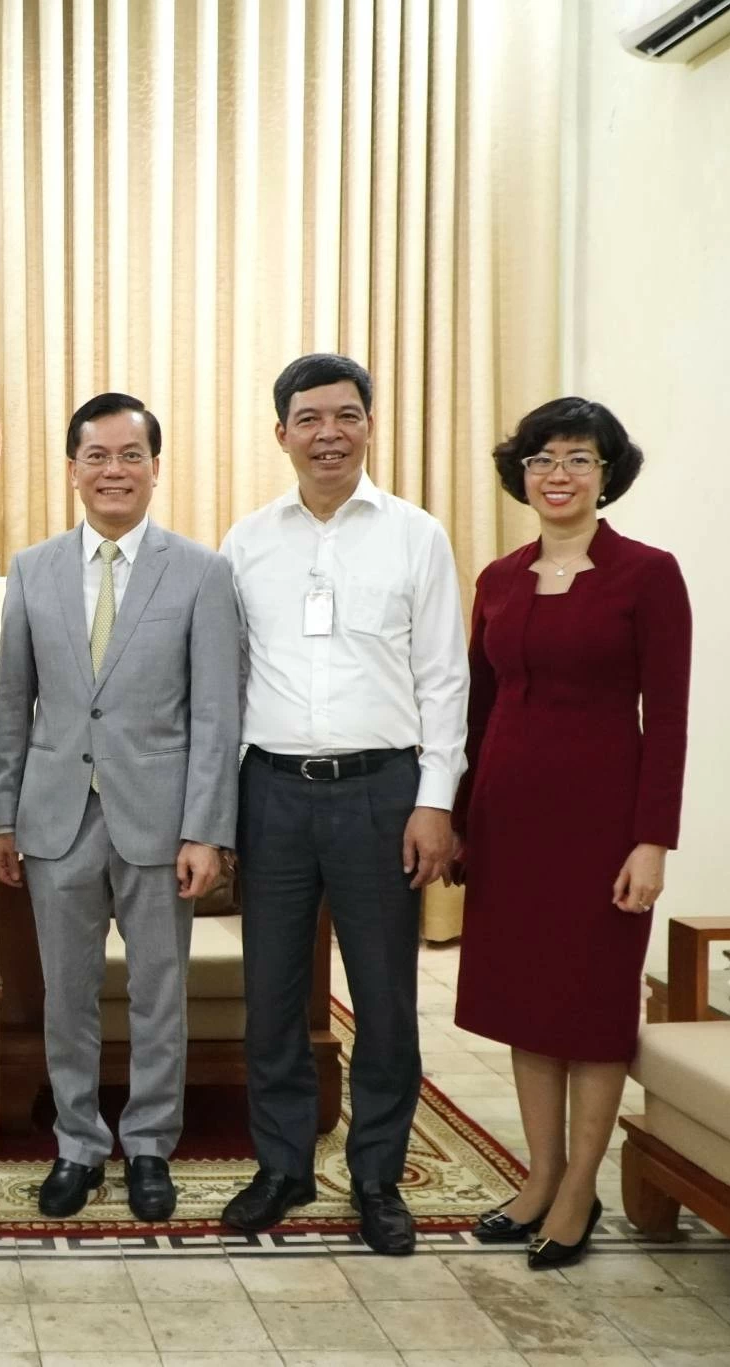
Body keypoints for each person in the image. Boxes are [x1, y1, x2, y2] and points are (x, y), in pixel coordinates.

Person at [218, 353, 468, 1256]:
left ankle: (376, 1175)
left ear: (371, 425)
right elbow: (226, 683)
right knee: (273, 996)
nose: (329, 432)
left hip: (382, 793)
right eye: (310, 417)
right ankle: (283, 1165)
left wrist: (434, 799)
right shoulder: (247, 541)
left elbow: (445, 678)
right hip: (273, 792)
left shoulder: (416, 535)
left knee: (387, 998)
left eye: (347, 415)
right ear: (280, 431)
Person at [0, 393, 241, 1223]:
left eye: (131, 455)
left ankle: (153, 1145)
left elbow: (216, 712)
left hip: (161, 822)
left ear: (155, 468)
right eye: (97, 456)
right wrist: (2, 813)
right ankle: (78, 1143)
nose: (114, 471)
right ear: (72, 470)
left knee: (160, 989)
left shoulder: (201, 571)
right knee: (68, 991)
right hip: (56, 816)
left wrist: (207, 827)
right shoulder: (34, 568)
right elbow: (14, 699)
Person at [453, 398, 689, 1269]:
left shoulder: (647, 575)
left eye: (579, 459)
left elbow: (667, 717)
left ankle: (582, 1184)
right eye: (543, 457)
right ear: (521, 471)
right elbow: (478, 709)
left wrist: (652, 839)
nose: (558, 473)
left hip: (603, 822)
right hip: (510, 819)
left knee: (590, 1006)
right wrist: (464, 811)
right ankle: (539, 1173)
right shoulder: (500, 578)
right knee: (526, 999)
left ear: (607, 474)